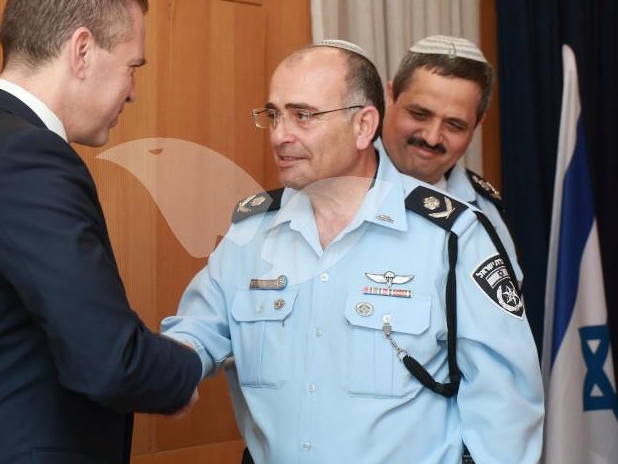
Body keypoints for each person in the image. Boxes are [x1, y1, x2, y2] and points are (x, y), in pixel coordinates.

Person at [161, 40, 544, 463]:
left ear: (364, 126)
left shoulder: (454, 236)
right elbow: (198, 332)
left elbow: (505, 405)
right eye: (274, 115)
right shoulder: (251, 233)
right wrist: (162, 369)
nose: (280, 135)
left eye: (303, 115)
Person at [0, 0, 200, 463]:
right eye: (133, 66)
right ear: (82, 50)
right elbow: (108, 360)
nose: (132, 91)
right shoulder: (27, 158)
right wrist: (190, 368)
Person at [380, 34, 522, 285]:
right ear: (390, 97)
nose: (432, 138)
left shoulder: (484, 208)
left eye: (454, 125)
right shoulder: (341, 187)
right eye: (419, 114)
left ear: (478, 123)